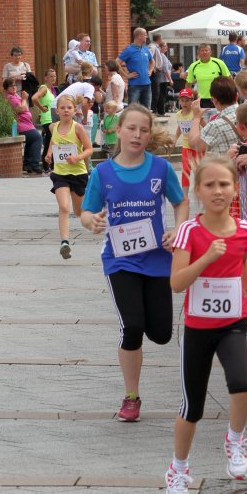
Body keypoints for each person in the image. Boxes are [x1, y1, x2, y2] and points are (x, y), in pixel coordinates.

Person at [165, 155, 247, 494]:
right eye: (209, 185)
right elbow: (177, 283)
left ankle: (235, 440)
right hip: (197, 329)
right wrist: (207, 257)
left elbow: (243, 262)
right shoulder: (189, 232)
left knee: (242, 386)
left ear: (234, 190)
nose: (217, 191)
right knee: (192, 408)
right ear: (198, 190)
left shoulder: (246, 230)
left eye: (224, 184)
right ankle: (178, 470)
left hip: (233, 326)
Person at [81, 104, 187, 422]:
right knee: (132, 327)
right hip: (120, 261)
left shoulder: (160, 169)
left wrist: (178, 230)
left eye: (143, 130)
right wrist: (92, 221)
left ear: (149, 134)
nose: (137, 135)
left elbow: (180, 202)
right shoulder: (102, 173)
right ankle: (131, 397)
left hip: (157, 259)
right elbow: (86, 211)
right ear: (118, 130)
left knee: (162, 333)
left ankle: (148, 329)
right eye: (131, 128)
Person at [44, 92, 94, 259]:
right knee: (64, 207)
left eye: (69, 107)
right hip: (60, 174)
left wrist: (77, 158)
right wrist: (49, 153)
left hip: (78, 173)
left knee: (79, 212)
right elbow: (54, 141)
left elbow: (89, 149)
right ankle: (64, 242)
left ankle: (95, 217)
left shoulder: (78, 128)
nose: (66, 110)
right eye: (63, 108)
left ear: (74, 110)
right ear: (57, 111)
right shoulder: (54, 127)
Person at [188, 76, 240, 156]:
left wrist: (196, 118)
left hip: (225, 163)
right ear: (236, 96)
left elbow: (194, 144)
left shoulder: (215, 126)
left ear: (214, 100)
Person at [3, 78, 42, 175]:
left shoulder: (15, 95)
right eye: (11, 86)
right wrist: (24, 99)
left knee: (31, 141)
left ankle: (27, 165)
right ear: (6, 89)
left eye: (15, 85)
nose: (14, 87)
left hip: (27, 124)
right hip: (21, 126)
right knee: (37, 138)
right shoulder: (10, 97)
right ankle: (35, 165)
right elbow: (20, 109)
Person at [118, 27, 154, 108]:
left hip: (147, 84)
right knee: (132, 109)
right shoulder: (129, 50)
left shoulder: (145, 49)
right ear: (139, 36)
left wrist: (150, 70)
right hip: (135, 85)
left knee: (146, 110)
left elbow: (152, 61)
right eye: (145, 35)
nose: (146, 37)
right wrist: (126, 75)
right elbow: (116, 63)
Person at [185, 44, 230, 109]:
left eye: (206, 50)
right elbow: (188, 84)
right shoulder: (193, 66)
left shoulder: (219, 63)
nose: (204, 52)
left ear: (210, 52)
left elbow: (229, 79)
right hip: (201, 100)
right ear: (198, 53)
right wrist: (189, 98)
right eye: (202, 51)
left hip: (218, 99)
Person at [32, 68, 59, 170]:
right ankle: (47, 166)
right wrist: (42, 108)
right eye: (51, 76)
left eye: (54, 76)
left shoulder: (53, 90)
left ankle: (49, 166)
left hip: (54, 119)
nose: (53, 78)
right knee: (51, 142)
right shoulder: (44, 88)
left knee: (50, 142)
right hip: (47, 119)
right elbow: (34, 98)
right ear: (46, 78)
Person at [174, 88, 197, 197]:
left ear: (192, 100)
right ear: (179, 101)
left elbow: (205, 125)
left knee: (198, 171)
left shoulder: (195, 113)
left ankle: (201, 193)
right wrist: (175, 139)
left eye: (187, 100)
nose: (184, 103)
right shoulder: (178, 114)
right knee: (185, 171)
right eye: (182, 100)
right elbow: (180, 127)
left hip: (197, 147)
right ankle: (184, 196)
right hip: (186, 147)